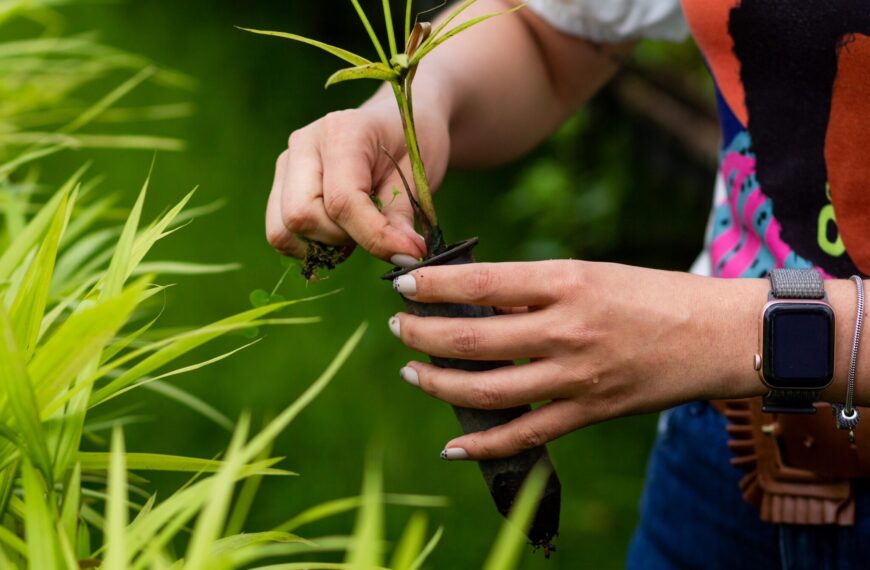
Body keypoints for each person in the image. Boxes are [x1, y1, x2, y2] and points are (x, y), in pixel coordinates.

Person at [264, 1, 870, 567]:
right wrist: (413, 107)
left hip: (723, 374)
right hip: (729, 454)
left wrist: (725, 334)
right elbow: (550, 32)